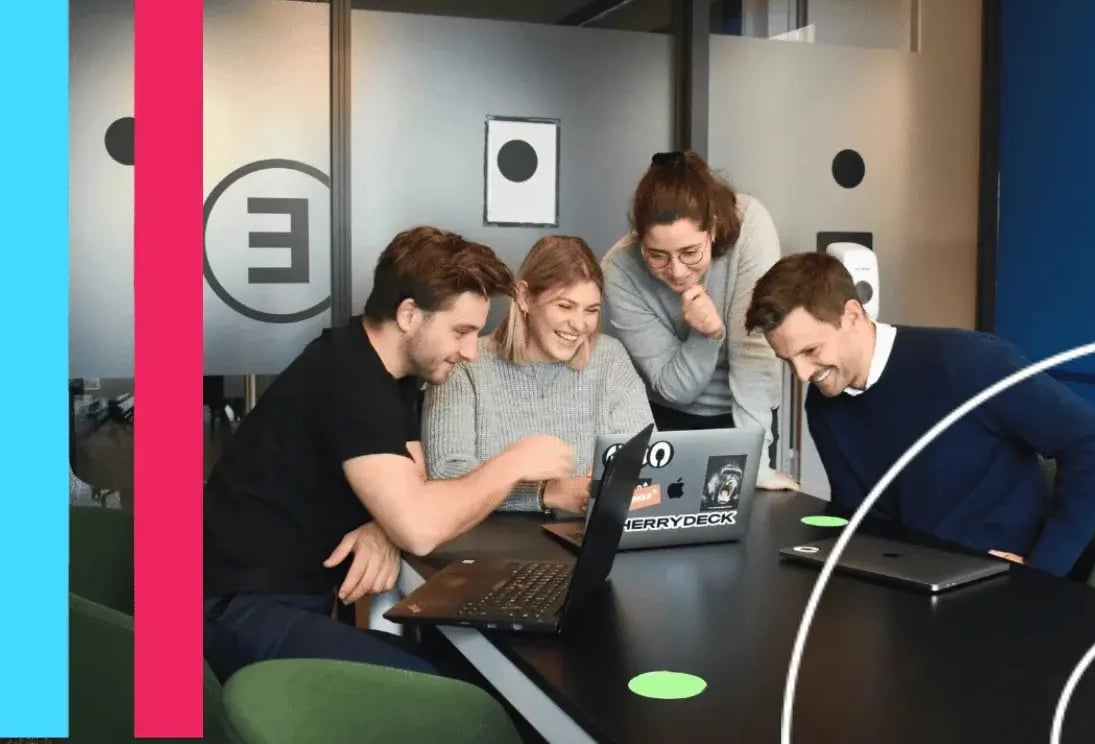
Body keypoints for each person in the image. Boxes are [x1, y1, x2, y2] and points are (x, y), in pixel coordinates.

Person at [202, 226, 576, 682]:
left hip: (277, 601)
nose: (471, 352)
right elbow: (420, 529)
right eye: (461, 331)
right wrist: (514, 462)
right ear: (408, 315)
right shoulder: (349, 379)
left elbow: (413, 478)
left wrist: (385, 525)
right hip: (231, 609)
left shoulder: (387, 371)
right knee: (451, 691)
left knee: (461, 672)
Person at [744, 251, 1095, 577]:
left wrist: (1043, 569)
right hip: (912, 581)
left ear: (852, 315)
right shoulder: (826, 404)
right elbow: (864, 520)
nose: (802, 374)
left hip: (999, 585)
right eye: (787, 360)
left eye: (810, 351)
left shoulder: (967, 362)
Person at [601, 150, 794, 490]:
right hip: (666, 419)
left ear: (715, 228)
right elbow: (675, 388)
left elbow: (754, 355)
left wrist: (757, 466)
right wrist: (707, 334)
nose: (675, 271)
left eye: (690, 252)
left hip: (749, 417)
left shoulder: (750, 223)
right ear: (638, 238)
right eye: (657, 255)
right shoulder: (619, 269)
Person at [422, 235, 654, 514]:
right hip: (486, 540)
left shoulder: (610, 359)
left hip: (583, 535)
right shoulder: (465, 364)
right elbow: (446, 475)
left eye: (591, 310)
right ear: (524, 297)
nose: (579, 325)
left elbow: (649, 461)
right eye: (565, 306)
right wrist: (546, 492)